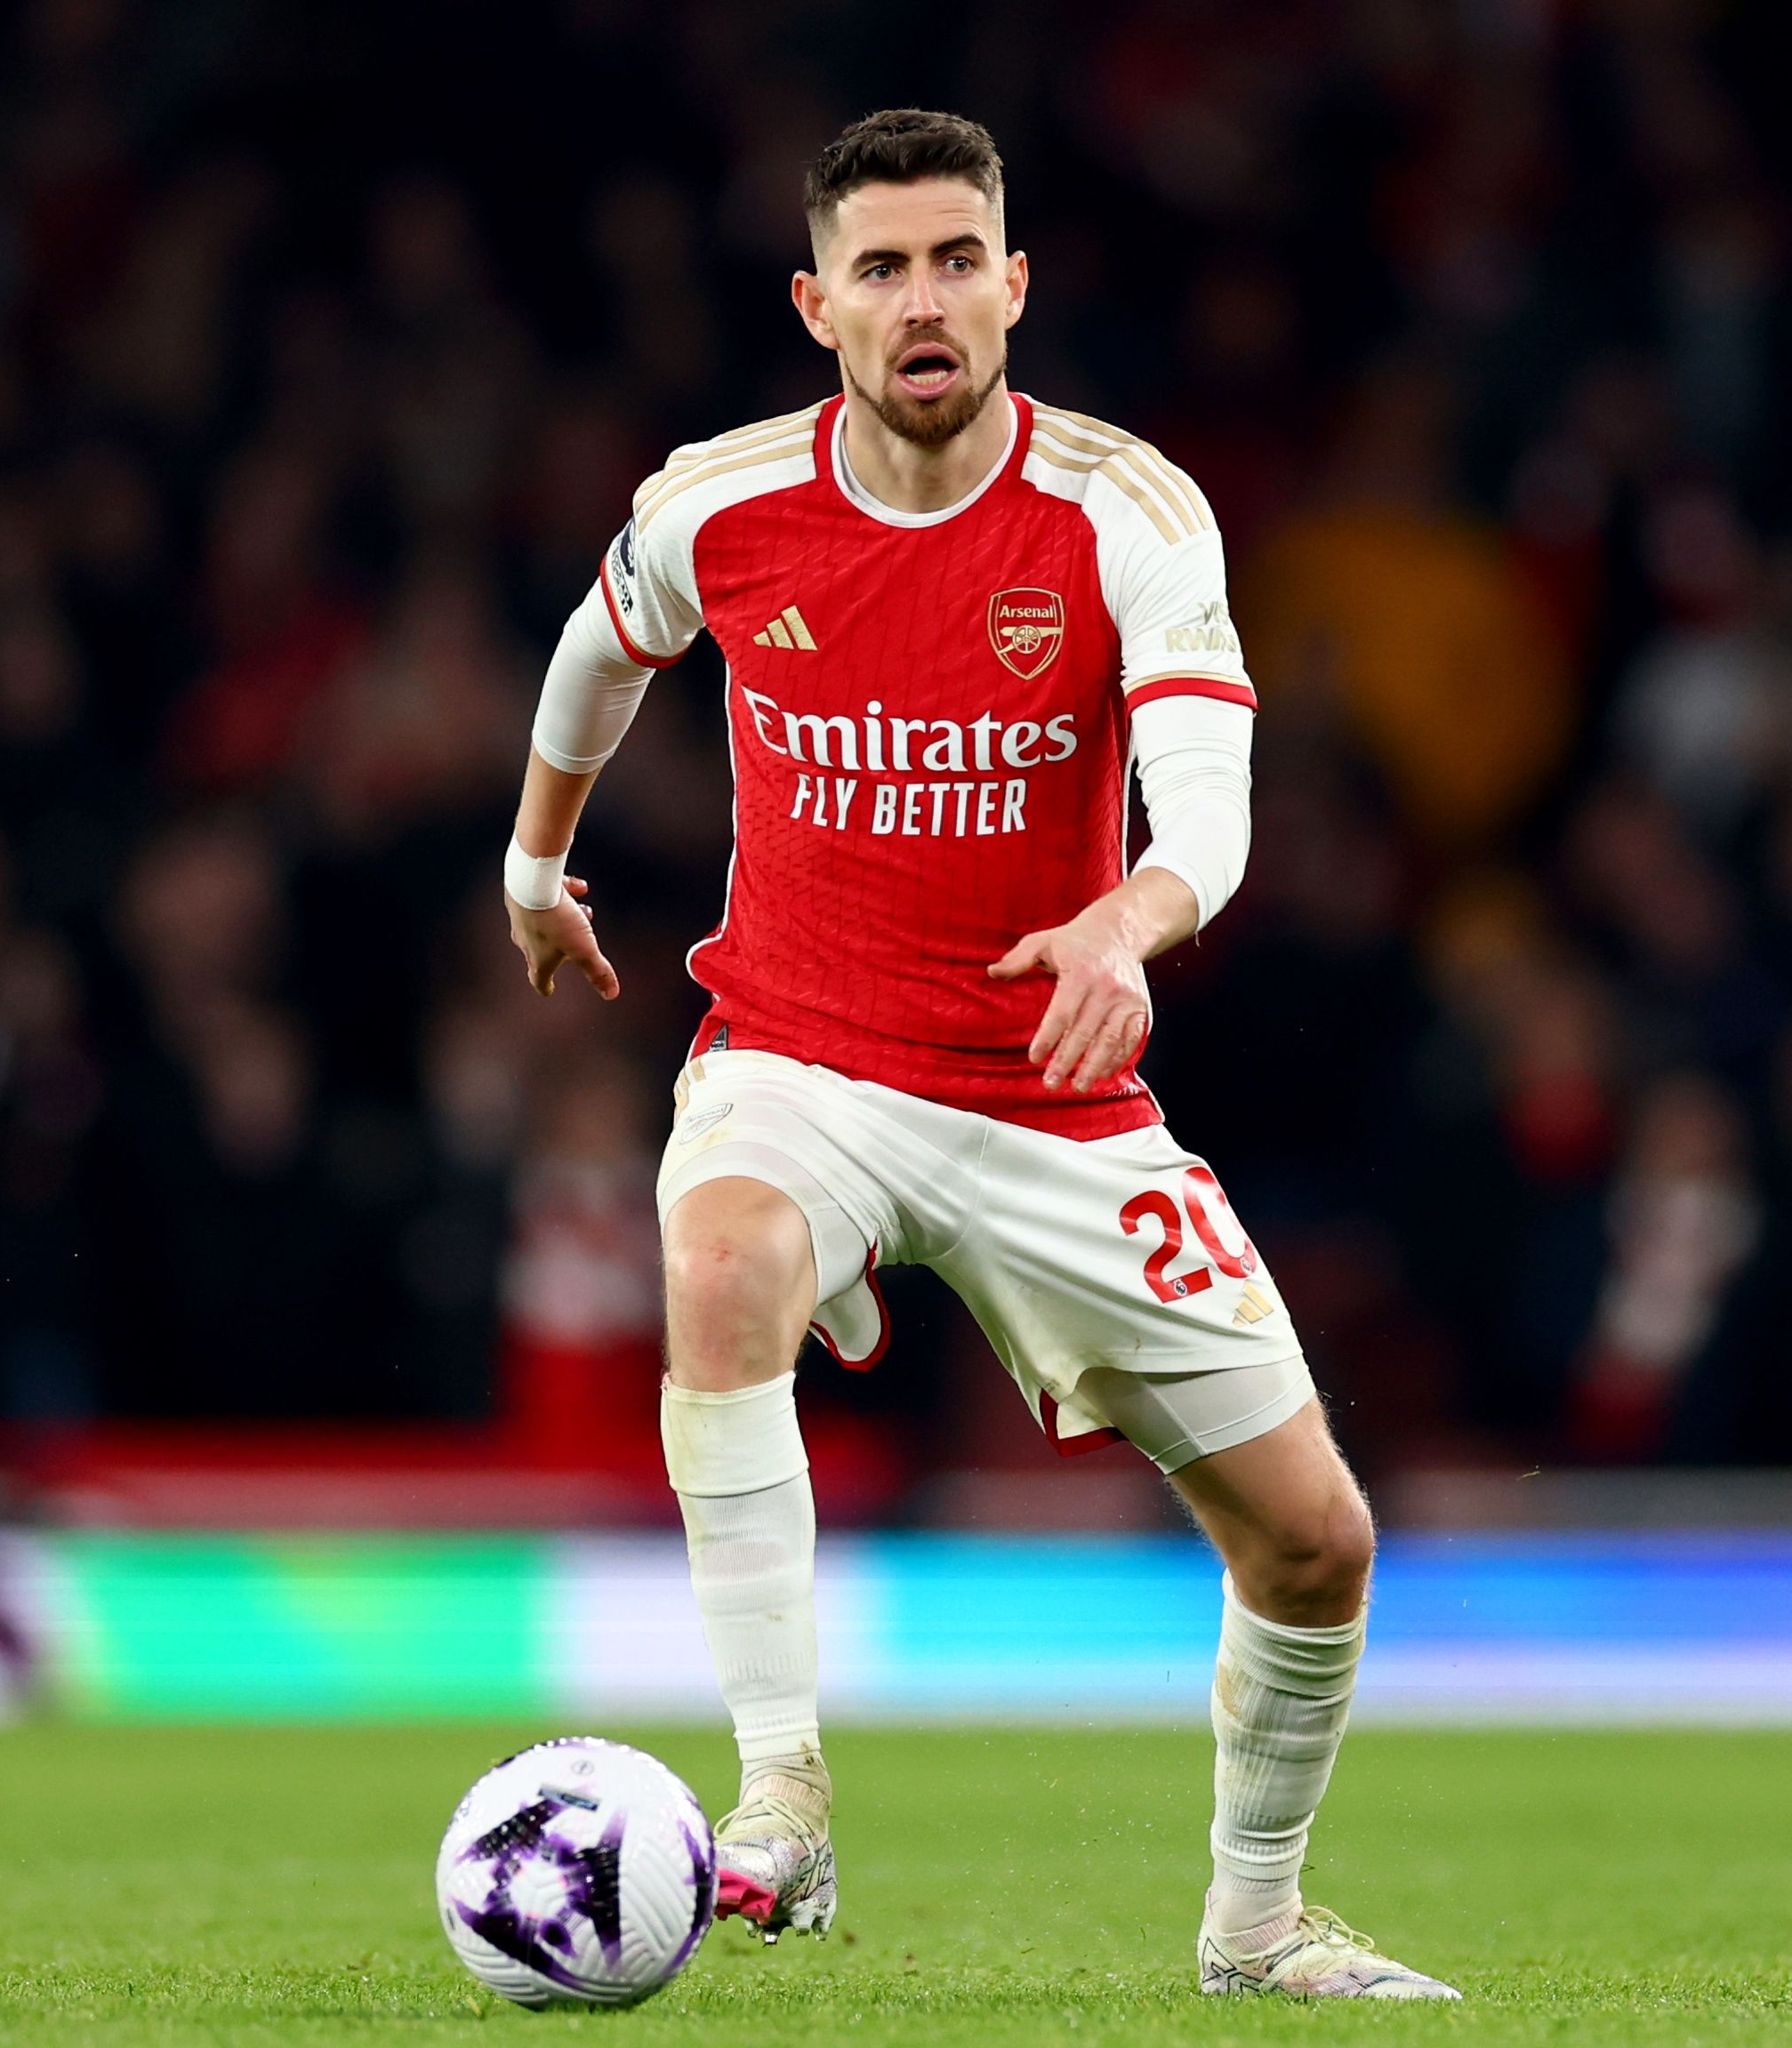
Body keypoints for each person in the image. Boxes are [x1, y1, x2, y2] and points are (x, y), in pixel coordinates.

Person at [500, 108, 1456, 2004]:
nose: (921, 300)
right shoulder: (721, 504)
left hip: (1050, 1098)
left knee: (1317, 1544)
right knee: (720, 1256)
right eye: (881, 268)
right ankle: (781, 1796)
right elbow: (599, 650)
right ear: (818, 306)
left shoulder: (1123, 511)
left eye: (956, 261)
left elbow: (1212, 801)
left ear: (1014, 287)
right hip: (804, 1057)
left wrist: (1128, 920)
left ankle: (1258, 1926)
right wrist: (537, 862)